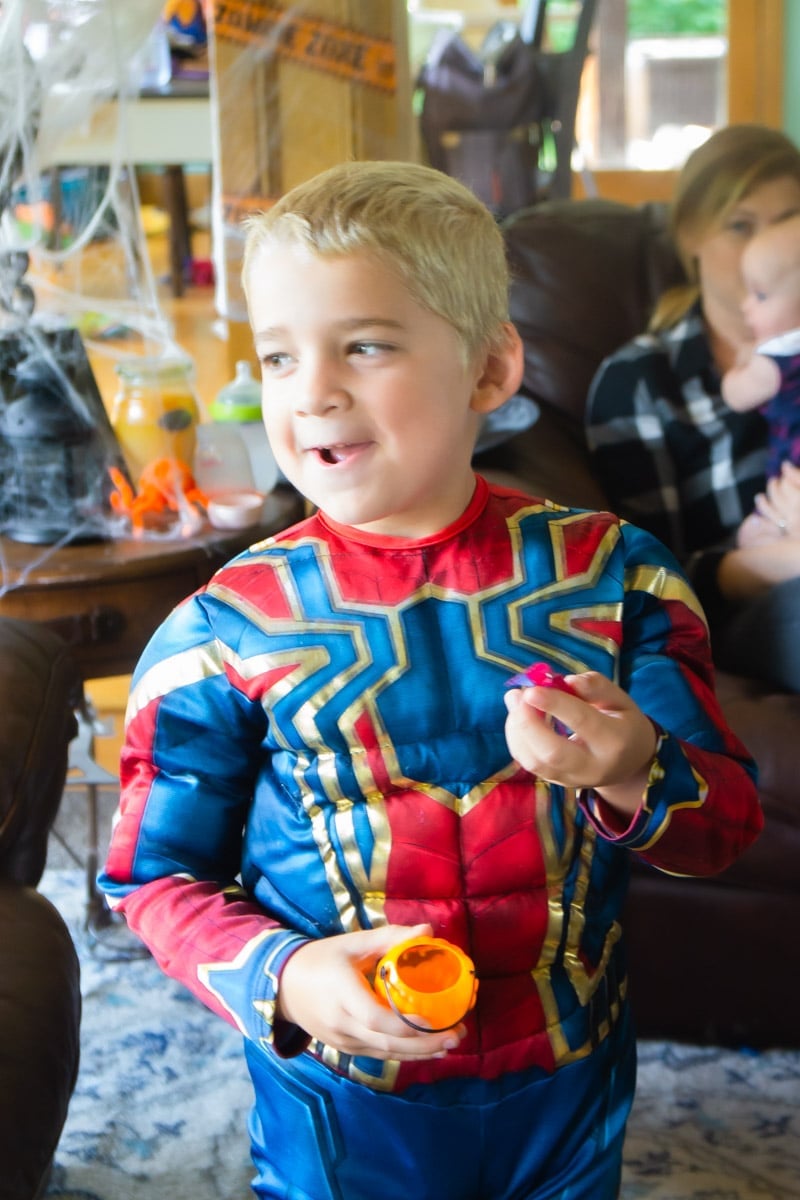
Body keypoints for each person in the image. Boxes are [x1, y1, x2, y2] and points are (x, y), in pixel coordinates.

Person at [98, 160, 761, 1200]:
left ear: (491, 371)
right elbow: (149, 880)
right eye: (277, 355)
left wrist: (635, 768)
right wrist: (284, 975)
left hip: (568, 1074)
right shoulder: (221, 634)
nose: (311, 389)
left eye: (363, 344)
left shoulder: (618, 581)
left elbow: (723, 827)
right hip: (339, 1095)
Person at [586, 123, 800, 692]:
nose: (766, 248)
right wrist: (779, 561)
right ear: (691, 238)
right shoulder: (639, 382)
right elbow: (649, 578)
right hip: (750, 610)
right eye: (740, 226)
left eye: (786, 223)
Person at [721, 213, 800, 545]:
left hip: (790, 487)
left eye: (762, 296)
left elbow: (735, 396)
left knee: (748, 538)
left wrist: (744, 361)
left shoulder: (778, 359)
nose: (746, 305)